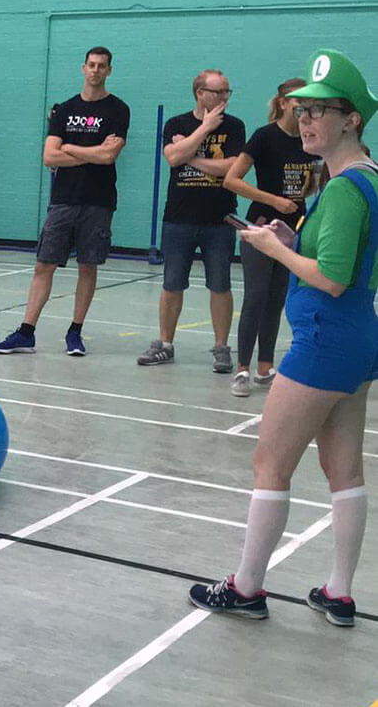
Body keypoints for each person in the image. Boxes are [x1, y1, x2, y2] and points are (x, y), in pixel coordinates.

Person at [189, 49, 378, 628]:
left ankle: (246, 588)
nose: (307, 120)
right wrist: (288, 239)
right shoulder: (364, 179)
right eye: (302, 110)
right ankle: (339, 593)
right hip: (356, 342)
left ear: (353, 119)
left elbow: (335, 277)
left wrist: (275, 250)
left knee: (270, 462)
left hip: (322, 341)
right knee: (345, 469)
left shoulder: (345, 188)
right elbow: (336, 260)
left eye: (322, 110)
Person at [0, 46, 130, 356]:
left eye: (101, 66)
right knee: (44, 264)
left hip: (98, 201)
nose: (95, 70)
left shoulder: (118, 110)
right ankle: (26, 332)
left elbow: (108, 156)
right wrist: (90, 152)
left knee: (87, 265)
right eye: (91, 65)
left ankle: (75, 332)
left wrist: (71, 148)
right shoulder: (65, 110)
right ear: (83, 68)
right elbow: (48, 156)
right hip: (63, 200)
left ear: (109, 71)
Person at [138, 69, 245, 371]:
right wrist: (204, 129)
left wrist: (192, 156)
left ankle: (222, 347)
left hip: (220, 219)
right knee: (172, 283)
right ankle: (165, 344)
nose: (224, 97)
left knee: (220, 284)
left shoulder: (235, 126)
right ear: (200, 93)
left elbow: (231, 167)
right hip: (179, 218)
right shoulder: (177, 123)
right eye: (218, 92)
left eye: (227, 91)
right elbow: (172, 158)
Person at [222, 78, 320, 396]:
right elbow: (232, 180)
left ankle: (265, 368)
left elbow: (313, 188)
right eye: (298, 102)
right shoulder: (265, 137)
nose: (304, 108)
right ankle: (242, 370)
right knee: (256, 296)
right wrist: (273, 201)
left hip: (295, 231)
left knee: (277, 299)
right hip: (261, 225)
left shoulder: (310, 140)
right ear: (282, 103)